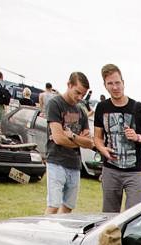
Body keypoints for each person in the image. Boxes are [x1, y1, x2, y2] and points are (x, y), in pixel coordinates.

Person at [93, 63, 141, 212]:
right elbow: (97, 137)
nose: (115, 87)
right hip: (110, 169)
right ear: (105, 86)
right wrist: (102, 149)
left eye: (117, 83)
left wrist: (137, 137)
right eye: (110, 84)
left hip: (134, 171)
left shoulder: (138, 108)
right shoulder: (102, 108)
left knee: (135, 214)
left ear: (123, 82)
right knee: (109, 214)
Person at [45, 72, 95, 215]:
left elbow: (89, 143)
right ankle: (45, 229)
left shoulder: (81, 112)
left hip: (74, 164)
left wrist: (73, 136)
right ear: (69, 85)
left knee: (68, 207)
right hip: (56, 161)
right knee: (53, 205)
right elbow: (58, 138)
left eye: (83, 95)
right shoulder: (55, 104)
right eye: (77, 92)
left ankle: (59, 229)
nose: (80, 97)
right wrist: (79, 141)